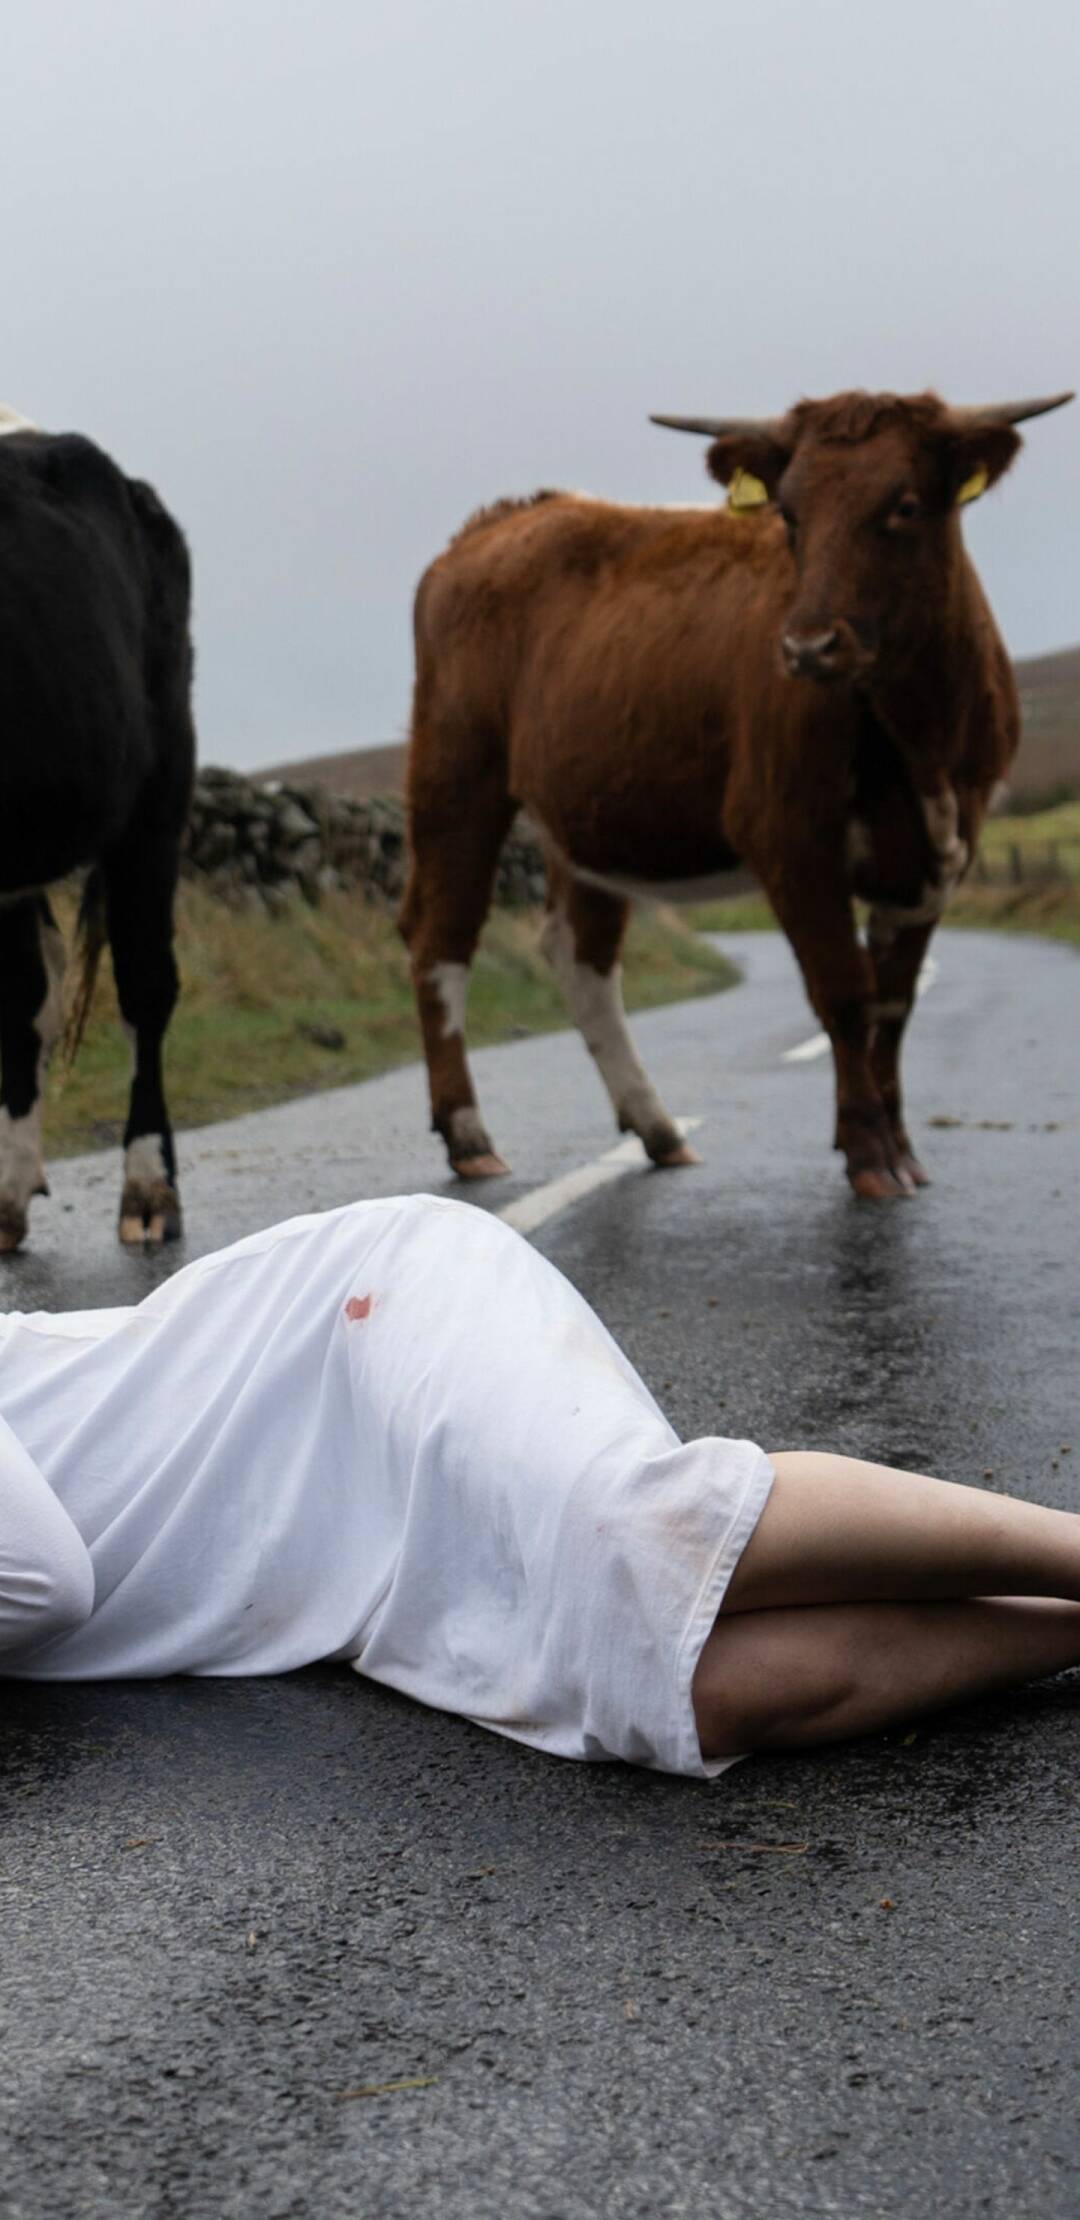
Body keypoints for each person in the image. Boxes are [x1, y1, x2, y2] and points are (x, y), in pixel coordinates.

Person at [2, 1194, 1079, 1778]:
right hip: (335, 1577)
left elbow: (42, 1579)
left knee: (632, 1525)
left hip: (356, 1324)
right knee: (674, 1695)